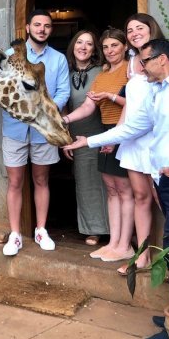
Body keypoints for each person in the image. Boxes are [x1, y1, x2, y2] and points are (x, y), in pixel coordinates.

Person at [62, 39, 169, 339]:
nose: (142, 68)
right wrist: (87, 141)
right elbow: (132, 127)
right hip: (166, 178)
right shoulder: (159, 91)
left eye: (145, 61)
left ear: (162, 59)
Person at [1, 9, 70, 256]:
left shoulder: (59, 59)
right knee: (15, 182)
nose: (42, 29)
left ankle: (41, 229)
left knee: (41, 180)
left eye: (47, 26)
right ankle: (15, 234)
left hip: (44, 130)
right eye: (37, 25)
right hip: (14, 129)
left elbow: (64, 92)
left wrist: (45, 109)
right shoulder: (10, 56)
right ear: (28, 27)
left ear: (51, 30)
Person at [61, 29, 131, 262]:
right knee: (112, 188)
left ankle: (127, 244)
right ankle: (115, 243)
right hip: (100, 136)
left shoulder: (130, 68)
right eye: (107, 47)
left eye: (115, 46)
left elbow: (135, 103)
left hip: (116, 133)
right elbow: (87, 106)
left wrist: (110, 99)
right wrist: (64, 122)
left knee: (127, 191)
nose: (110, 51)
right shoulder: (101, 75)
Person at [113, 13, 166, 274]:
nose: (134, 32)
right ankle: (142, 257)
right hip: (133, 140)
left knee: (163, 199)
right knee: (141, 197)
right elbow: (130, 105)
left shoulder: (166, 56)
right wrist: (116, 134)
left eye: (139, 28)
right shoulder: (131, 62)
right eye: (130, 29)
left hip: (156, 140)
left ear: (151, 29)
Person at [63, 30, 109, 246]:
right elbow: (62, 105)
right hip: (75, 135)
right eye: (79, 42)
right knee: (85, 183)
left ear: (94, 49)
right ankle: (93, 228)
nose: (83, 47)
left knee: (108, 183)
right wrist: (65, 139)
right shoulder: (65, 73)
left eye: (89, 44)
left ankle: (113, 230)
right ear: (73, 46)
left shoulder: (102, 71)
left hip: (100, 133)